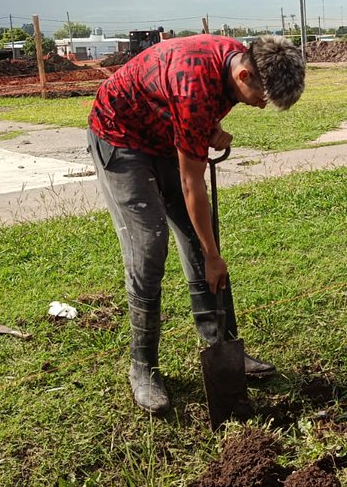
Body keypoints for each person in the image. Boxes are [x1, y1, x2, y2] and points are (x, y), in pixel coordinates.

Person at [87, 34, 305, 414]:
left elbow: (194, 114)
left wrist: (209, 130)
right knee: (150, 246)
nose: (261, 105)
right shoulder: (194, 89)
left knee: (200, 240)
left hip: (163, 134)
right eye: (263, 97)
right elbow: (192, 185)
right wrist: (212, 256)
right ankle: (144, 368)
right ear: (243, 75)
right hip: (120, 138)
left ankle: (224, 345)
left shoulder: (241, 59)